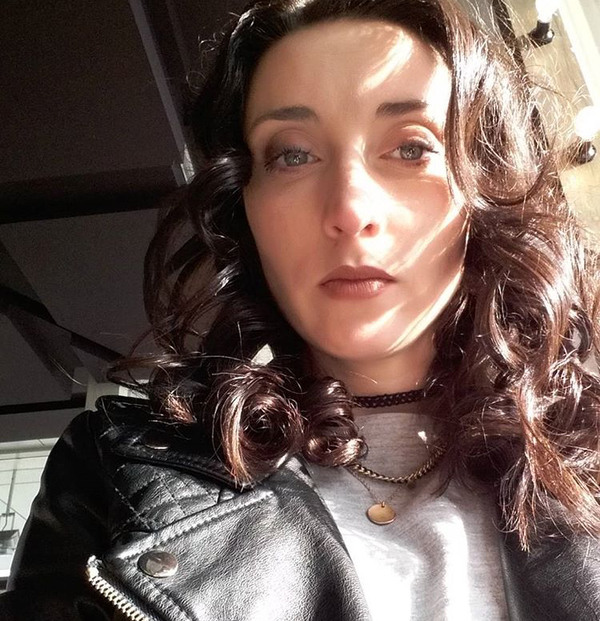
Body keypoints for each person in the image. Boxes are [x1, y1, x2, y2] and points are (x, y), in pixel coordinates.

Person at [2, 0, 600, 619]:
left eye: (411, 148)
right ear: (243, 206)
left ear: (485, 186)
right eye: (292, 154)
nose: (349, 209)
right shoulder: (111, 477)